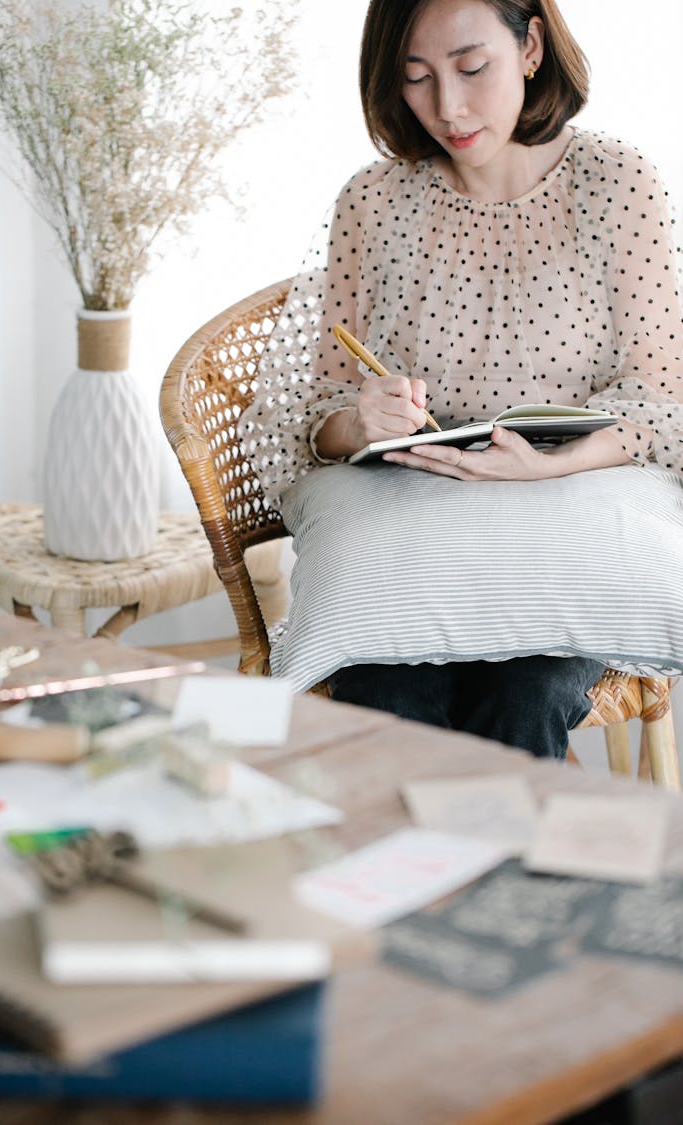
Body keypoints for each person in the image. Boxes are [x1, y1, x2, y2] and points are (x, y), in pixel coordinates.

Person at [239, 0, 683, 759]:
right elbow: (308, 415)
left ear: (532, 46)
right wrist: (360, 419)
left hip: (561, 532)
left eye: (472, 68)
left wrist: (549, 463)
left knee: (526, 692)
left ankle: (504, 876)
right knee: (388, 693)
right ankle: (400, 875)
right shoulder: (374, 200)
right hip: (411, 540)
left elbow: (662, 402)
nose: (448, 107)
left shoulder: (617, 182)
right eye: (417, 78)